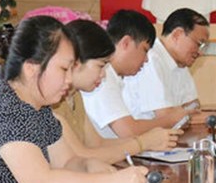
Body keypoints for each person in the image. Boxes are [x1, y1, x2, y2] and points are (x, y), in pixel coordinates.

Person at [0, 16, 148, 183]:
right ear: (31, 68)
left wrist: (89, 166)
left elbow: (66, 162)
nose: (69, 79)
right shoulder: (6, 110)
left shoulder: (39, 108)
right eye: (63, 69)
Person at [53, 19, 182, 163]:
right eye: (100, 66)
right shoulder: (54, 104)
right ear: (75, 63)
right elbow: (80, 156)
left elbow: (97, 143)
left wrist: (147, 141)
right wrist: (142, 143)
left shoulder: (75, 96)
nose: (103, 74)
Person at [81, 9, 194, 139]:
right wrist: (170, 120)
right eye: (144, 50)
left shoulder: (113, 76)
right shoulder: (103, 77)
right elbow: (129, 131)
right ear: (126, 43)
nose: (146, 60)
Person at [123, 8, 208, 120]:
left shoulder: (180, 62)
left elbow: (194, 105)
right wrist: (181, 112)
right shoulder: (151, 60)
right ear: (177, 35)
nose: (200, 53)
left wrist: (180, 112)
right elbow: (166, 117)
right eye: (199, 44)